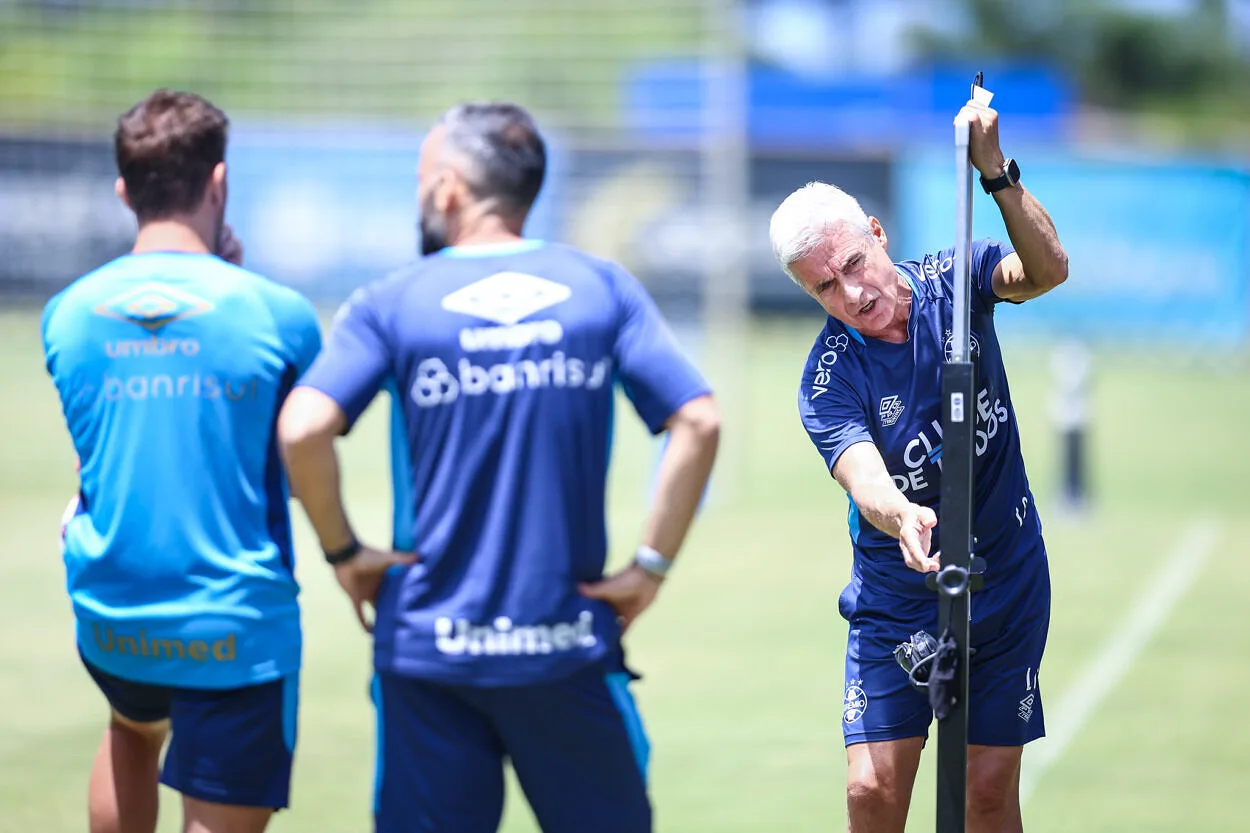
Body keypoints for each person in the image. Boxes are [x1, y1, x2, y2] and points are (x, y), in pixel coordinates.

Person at [277, 101, 720, 833]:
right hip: (566, 644)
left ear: (448, 188)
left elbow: (303, 428)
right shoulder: (600, 287)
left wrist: (344, 552)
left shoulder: (391, 301)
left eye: (422, 176)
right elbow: (698, 419)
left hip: (429, 651)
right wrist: (650, 565)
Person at [769, 97, 1069, 833]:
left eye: (852, 264)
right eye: (825, 288)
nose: (852, 294)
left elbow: (1048, 270)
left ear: (877, 233)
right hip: (899, 598)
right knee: (870, 789)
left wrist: (993, 170)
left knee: (987, 793)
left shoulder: (956, 281)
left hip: (1004, 577)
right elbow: (862, 472)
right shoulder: (828, 376)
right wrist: (901, 511)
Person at [42, 89, 322, 833]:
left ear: (124, 190)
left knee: (133, 726)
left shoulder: (66, 313)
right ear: (220, 183)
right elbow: (293, 448)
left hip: (111, 613)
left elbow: (99, 455)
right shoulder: (278, 312)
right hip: (230, 624)